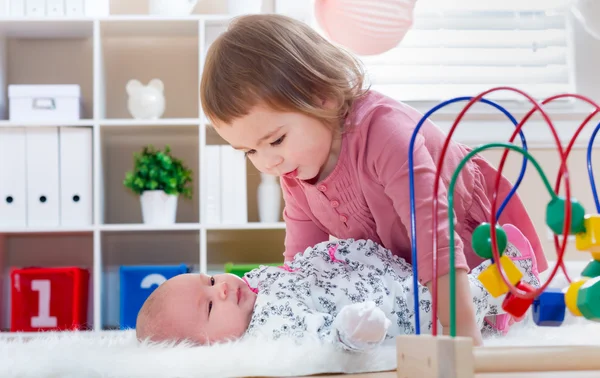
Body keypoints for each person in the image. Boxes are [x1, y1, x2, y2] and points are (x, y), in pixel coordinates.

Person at [199, 14, 547, 345]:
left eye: (275, 141)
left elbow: (434, 237)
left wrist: (461, 333)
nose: (268, 163)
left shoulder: (385, 134)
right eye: (248, 151)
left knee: (495, 301)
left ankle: (509, 277)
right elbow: (304, 268)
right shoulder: (292, 170)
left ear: (325, 97)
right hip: (406, 260)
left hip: (466, 236)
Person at [135, 237, 540, 349]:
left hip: (378, 275)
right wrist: (353, 332)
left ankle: (494, 309)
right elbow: (327, 341)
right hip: (394, 311)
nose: (221, 288)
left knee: (430, 280)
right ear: (210, 348)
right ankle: (512, 275)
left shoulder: (254, 285)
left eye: (209, 280)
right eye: (209, 306)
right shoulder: (270, 334)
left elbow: (297, 271)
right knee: (442, 300)